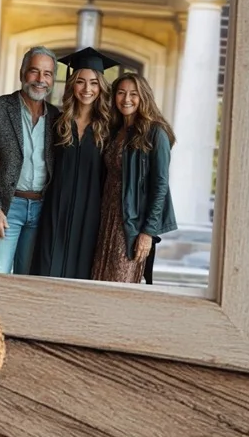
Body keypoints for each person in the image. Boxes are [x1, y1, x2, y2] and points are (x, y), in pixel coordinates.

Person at [0, 45, 58, 274]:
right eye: (34, 71)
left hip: (42, 209)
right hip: (8, 207)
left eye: (47, 74)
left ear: (52, 80)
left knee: (28, 278)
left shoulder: (57, 117)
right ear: (22, 73)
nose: (40, 80)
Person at [29, 46, 117, 280]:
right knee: (47, 269)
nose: (87, 89)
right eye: (80, 82)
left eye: (94, 83)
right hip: (55, 208)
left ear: (101, 87)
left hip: (90, 213)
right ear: (72, 85)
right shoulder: (56, 122)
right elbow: (33, 153)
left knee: (81, 274)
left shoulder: (109, 128)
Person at [91, 71, 178, 284]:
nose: (126, 99)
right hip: (106, 218)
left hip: (131, 223)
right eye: (121, 93)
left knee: (120, 282)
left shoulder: (155, 133)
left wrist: (148, 233)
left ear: (143, 97)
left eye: (133, 94)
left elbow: (160, 185)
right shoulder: (115, 131)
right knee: (98, 280)